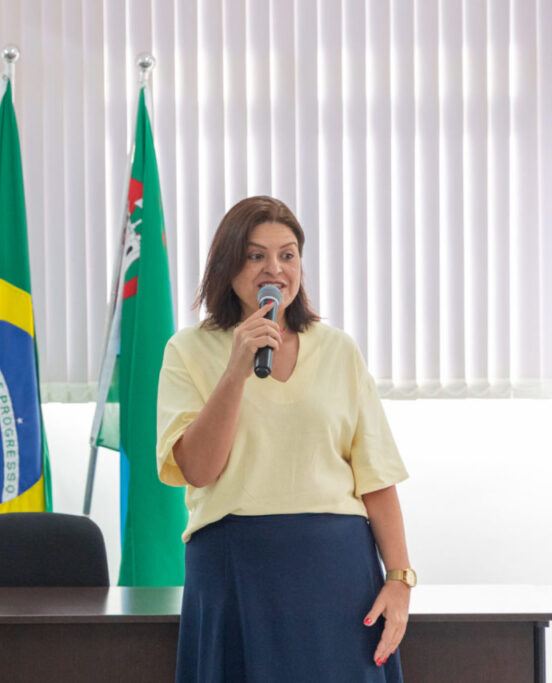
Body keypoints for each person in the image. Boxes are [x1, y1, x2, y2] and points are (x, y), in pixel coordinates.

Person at [157, 196, 413, 682]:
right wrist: (236, 369)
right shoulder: (187, 350)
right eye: (256, 255)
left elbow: (376, 477)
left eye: (287, 255)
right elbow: (199, 470)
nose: (274, 269)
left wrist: (400, 578)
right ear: (227, 265)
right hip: (235, 569)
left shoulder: (338, 349)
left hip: (337, 572)